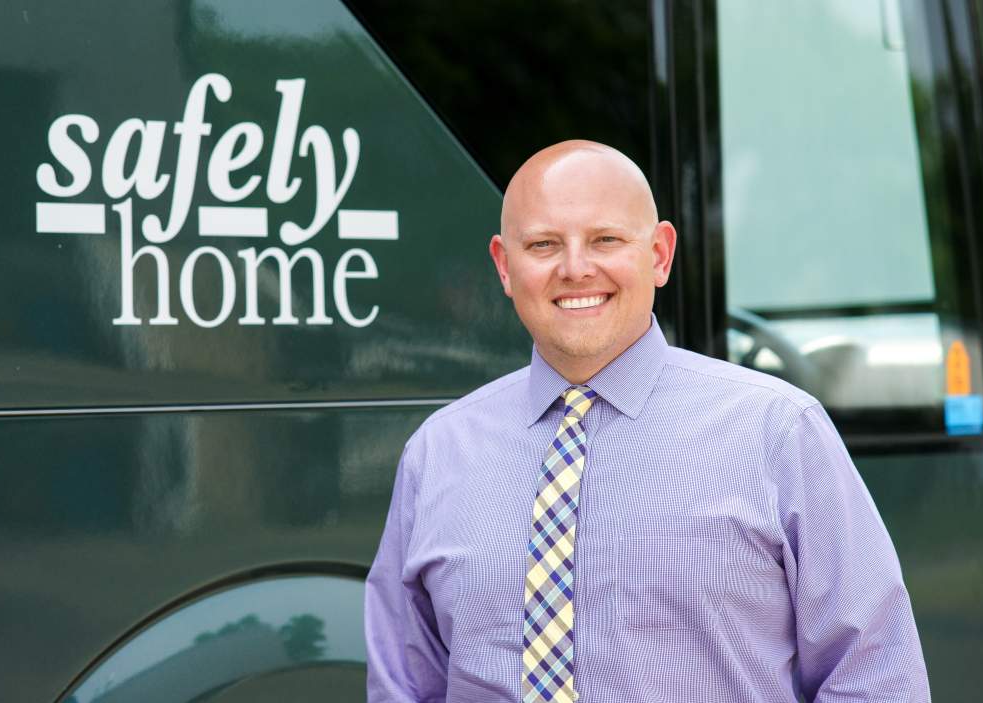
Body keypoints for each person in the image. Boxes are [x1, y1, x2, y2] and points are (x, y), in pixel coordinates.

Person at [364, 140, 930, 702]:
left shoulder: (778, 431)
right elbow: (402, 687)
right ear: (504, 265)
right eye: (543, 245)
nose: (576, 268)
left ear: (659, 254)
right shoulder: (437, 454)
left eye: (605, 239)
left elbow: (874, 675)